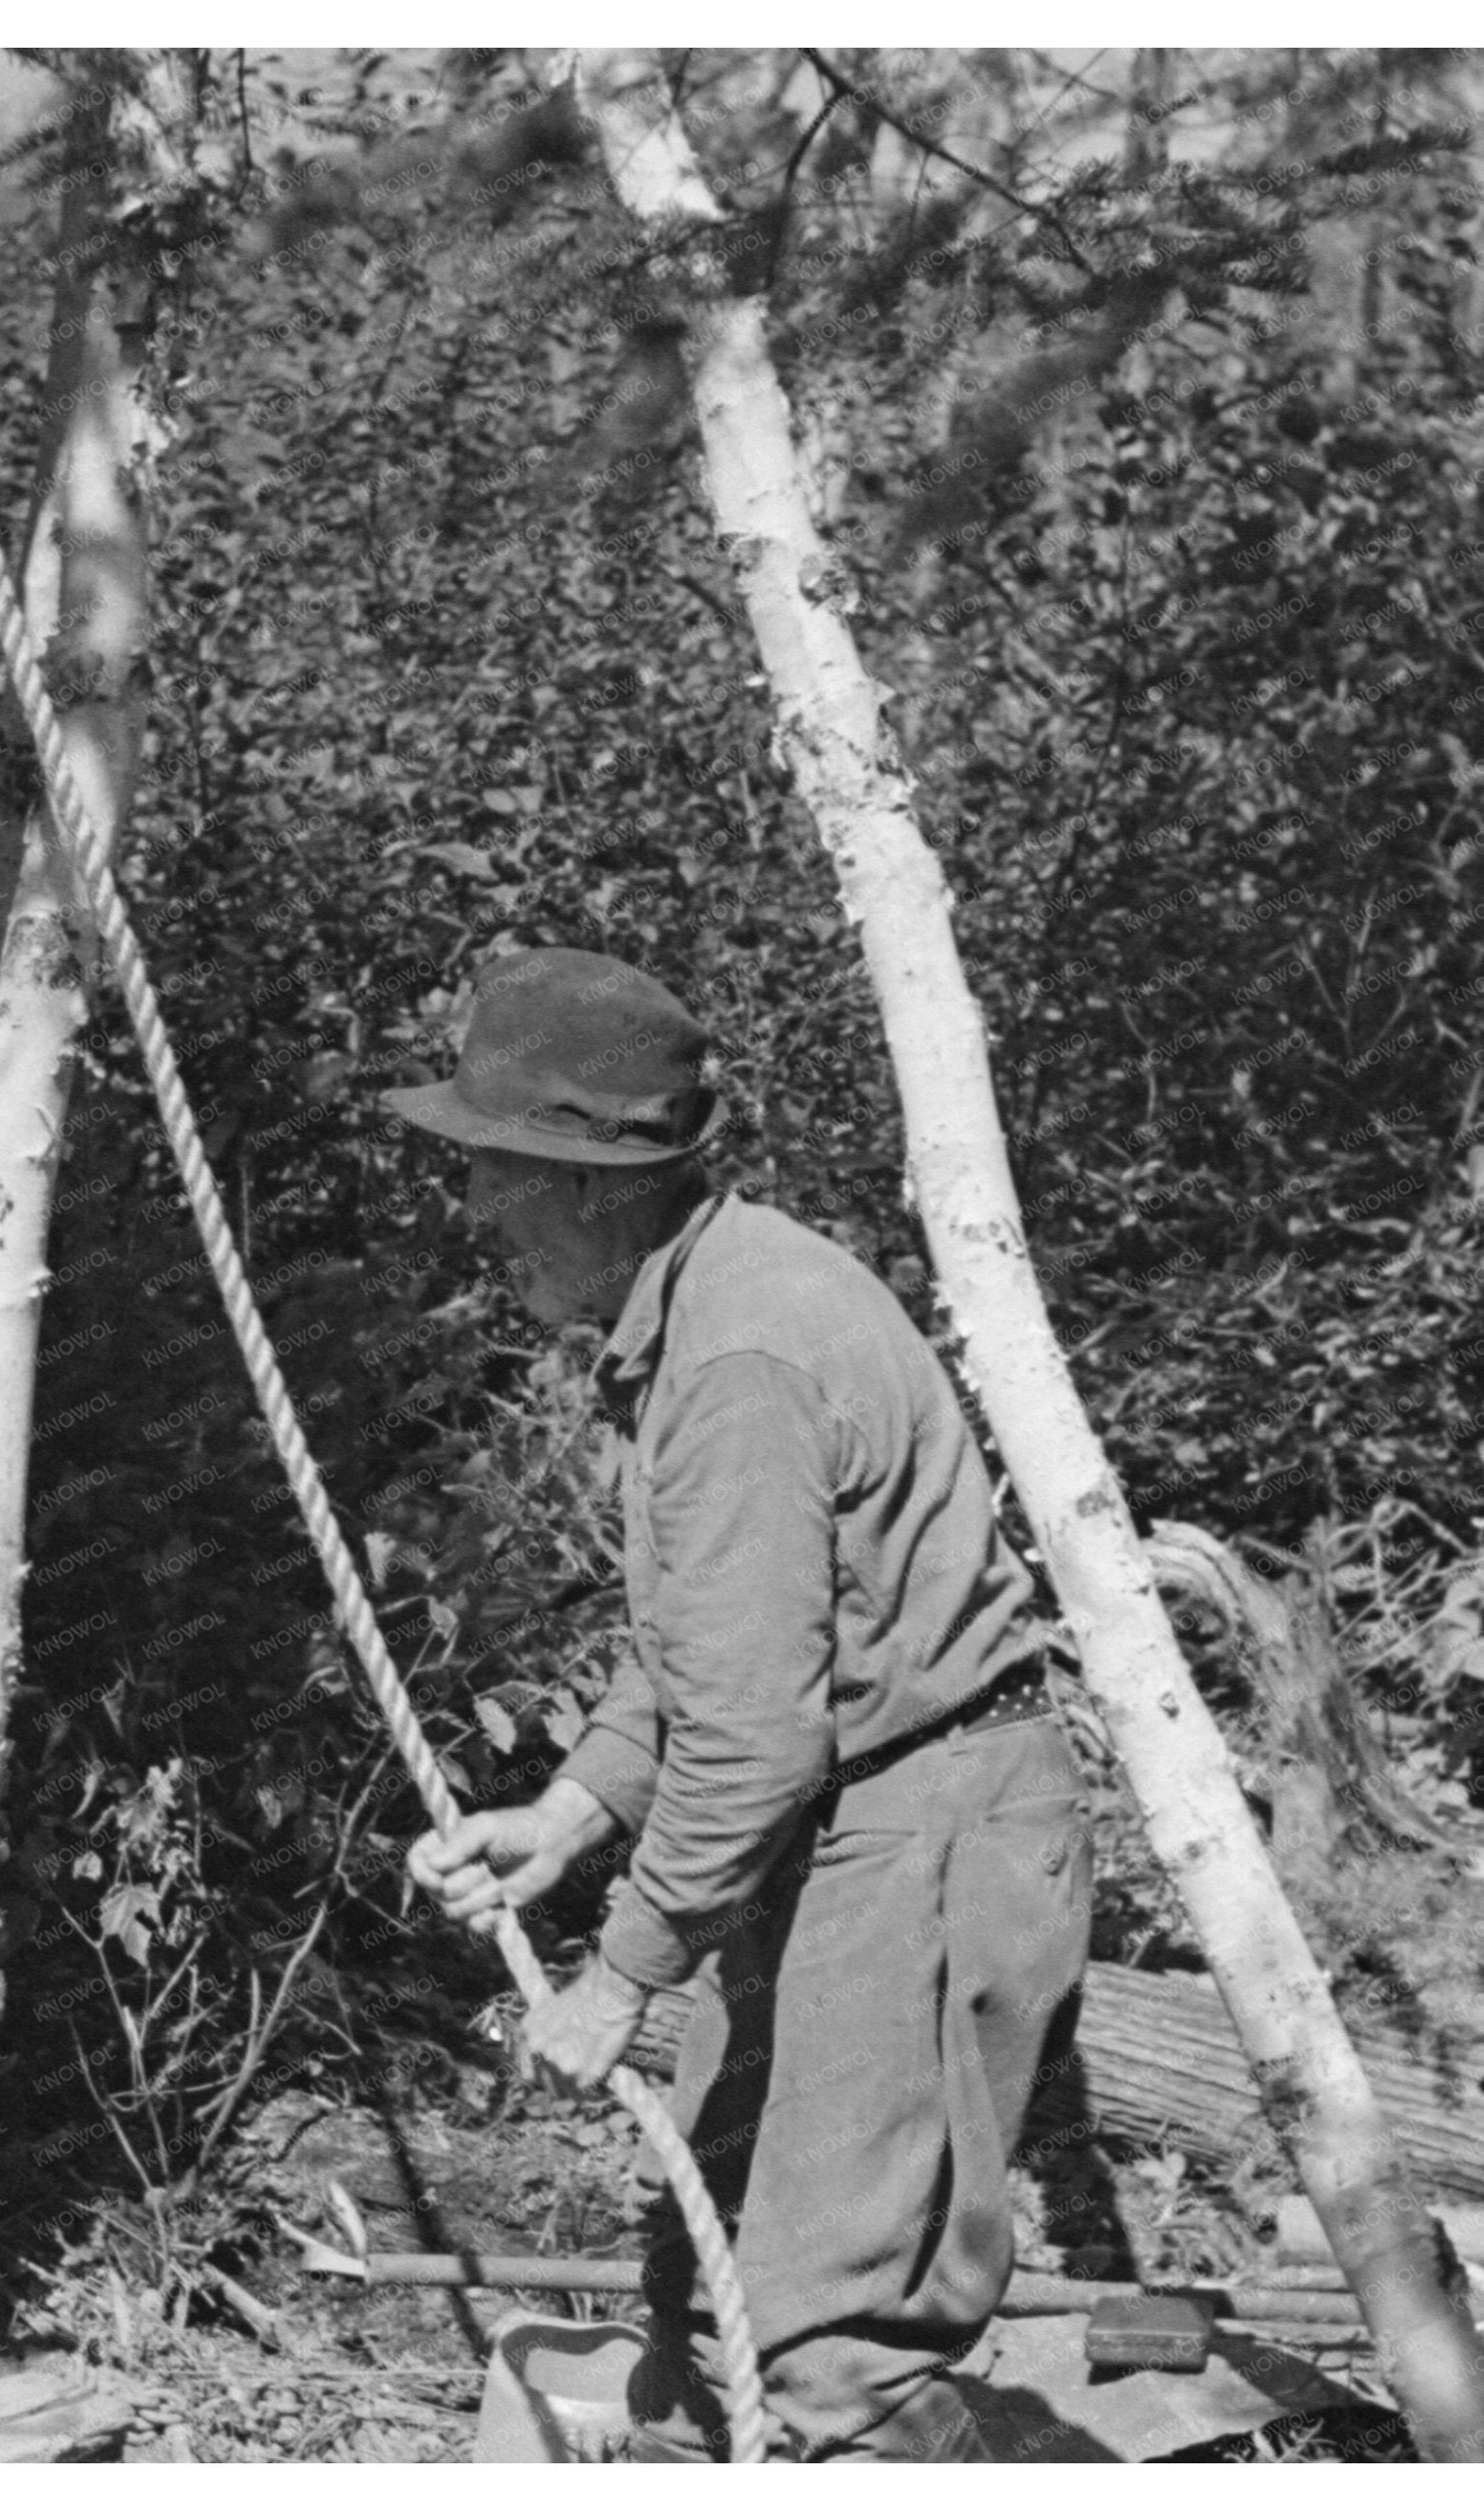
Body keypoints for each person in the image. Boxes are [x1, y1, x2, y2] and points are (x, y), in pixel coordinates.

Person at [389, 945, 1092, 2463]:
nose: (472, 1210)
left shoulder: (738, 1361)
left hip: (918, 1833)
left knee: (825, 2353)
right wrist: (570, 1814)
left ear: (584, 1185)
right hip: (851, 1822)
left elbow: (756, 1736)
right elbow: (717, 1652)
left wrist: (618, 1979)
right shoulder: (715, 1296)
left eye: (490, 1171)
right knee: (709, 2294)